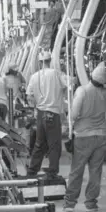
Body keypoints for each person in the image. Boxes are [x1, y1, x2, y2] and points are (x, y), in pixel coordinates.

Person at [63, 62, 106, 212]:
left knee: (77, 170)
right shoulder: (105, 93)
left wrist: (70, 123)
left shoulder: (82, 91)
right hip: (101, 137)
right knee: (96, 171)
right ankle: (91, 203)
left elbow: (74, 113)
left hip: (83, 137)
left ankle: (70, 203)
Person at [25, 51, 72, 179]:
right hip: (53, 113)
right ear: (50, 61)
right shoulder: (56, 74)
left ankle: (32, 171)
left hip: (40, 114)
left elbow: (29, 95)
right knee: (54, 144)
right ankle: (52, 172)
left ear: (40, 63)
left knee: (40, 143)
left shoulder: (34, 76)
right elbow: (70, 84)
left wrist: (35, 107)